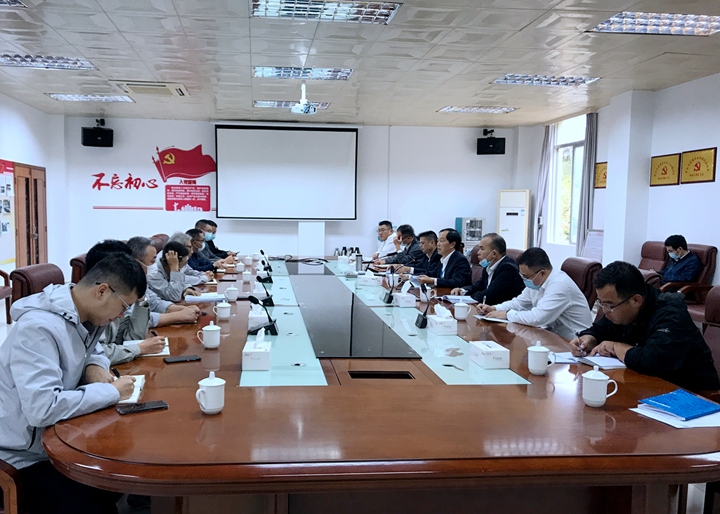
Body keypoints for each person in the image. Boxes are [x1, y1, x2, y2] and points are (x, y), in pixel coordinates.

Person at [0, 253, 144, 514]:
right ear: (102, 291)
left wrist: (94, 365)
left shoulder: (84, 314)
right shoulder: (38, 329)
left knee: (124, 467)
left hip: (54, 439)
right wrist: (110, 391)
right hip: (22, 457)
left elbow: (94, 349)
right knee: (97, 500)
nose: (122, 315)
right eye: (124, 306)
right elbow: (42, 409)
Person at [569, 261, 719, 393]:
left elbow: (652, 361)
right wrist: (588, 339)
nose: (605, 310)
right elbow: (600, 329)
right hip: (645, 388)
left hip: (690, 396)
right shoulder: (622, 310)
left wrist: (615, 347)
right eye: (601, 303)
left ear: (636, 300)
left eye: (609, 305)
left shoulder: (671, 314)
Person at [477, 247, 592, 340]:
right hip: (550, 336)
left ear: (542, 273)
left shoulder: (559, 285)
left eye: (526, 276)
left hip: (574, 343)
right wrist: (494, 309)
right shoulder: (536, 281)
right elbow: (519, 303)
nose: (524, 280)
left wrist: (507, 314)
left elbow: (538, 317)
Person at [85, 240, 166, 365]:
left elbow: (132, 338)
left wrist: (140, 298)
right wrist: (139, 348)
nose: (121, 315)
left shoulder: (112, 299)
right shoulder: (91, 307)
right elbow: (94, 354)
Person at [127, 237, 201, 328]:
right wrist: (177, 316)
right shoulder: (123, 283)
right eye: (152, 261)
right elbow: (132, 319)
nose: (155, 264)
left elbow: (153, 303)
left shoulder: (139, 279)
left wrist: (180, 309)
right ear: (136, 263)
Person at [451, 233, 525, 305]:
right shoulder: (489, 266)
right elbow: (477, 286)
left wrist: (471, 296)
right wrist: (462, 290)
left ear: (494, 254)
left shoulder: (508, 269)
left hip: (503, 310)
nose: (478, 252)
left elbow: (488, 296)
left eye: (482, 249)